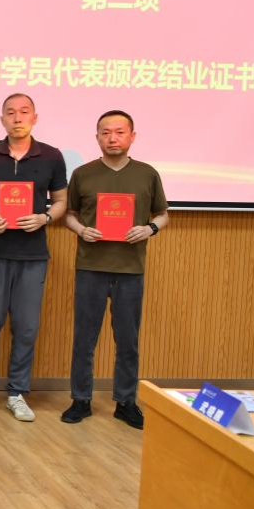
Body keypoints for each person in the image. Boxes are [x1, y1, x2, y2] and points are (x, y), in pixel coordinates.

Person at [62, 110, 169, 430]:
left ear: (132, 136)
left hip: (130, 268)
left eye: (120, 132)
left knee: (128, 340)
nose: (112, 138)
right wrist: (81, 230)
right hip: (90, 266)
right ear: (97, 137)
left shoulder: (147, 174)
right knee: (84, 338)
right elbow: (69, 214)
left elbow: (163, 214)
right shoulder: (83, 173)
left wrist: (149, 229)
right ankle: (81, 399)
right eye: (105, 132)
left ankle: (126, 401)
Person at [0, 93, 68, 422]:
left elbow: (61, 201)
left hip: (33, 255)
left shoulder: (51, 156)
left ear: (34, 118)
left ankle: (17, 393)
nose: (17, 118)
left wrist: (45, 218)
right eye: (10, 113)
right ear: (2, 119)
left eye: (24, 112)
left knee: (26, 329)